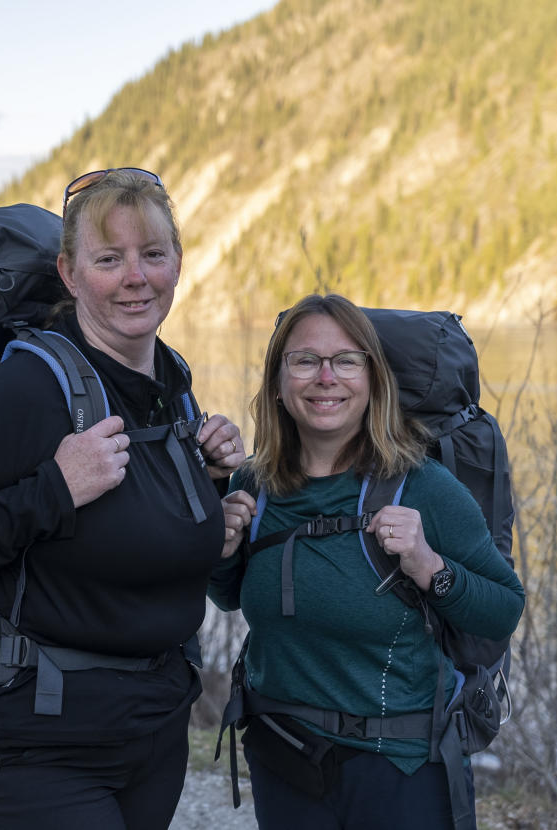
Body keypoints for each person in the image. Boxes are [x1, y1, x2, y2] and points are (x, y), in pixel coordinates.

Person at [0, 168, 246, 830]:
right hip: (32, 743)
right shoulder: (28, 391)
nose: (135, 277)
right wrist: (51, 490)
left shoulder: (172, 387)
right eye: (109, 259)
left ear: (178, 265)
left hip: (150, 733)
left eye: (152, 255)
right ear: (71, 274)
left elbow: (123, 535)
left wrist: (212, 498)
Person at [209, 293, 524, 830]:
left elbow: (502, 610)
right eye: (305, 360)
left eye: (346, 361)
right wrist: (218, 551)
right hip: (283, 758)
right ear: (279, 384)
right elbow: (233, 595)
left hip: (399, 769)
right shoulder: (253, 485)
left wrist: (429, 566)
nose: (325, 377)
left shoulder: (423, 487)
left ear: (373, 380)